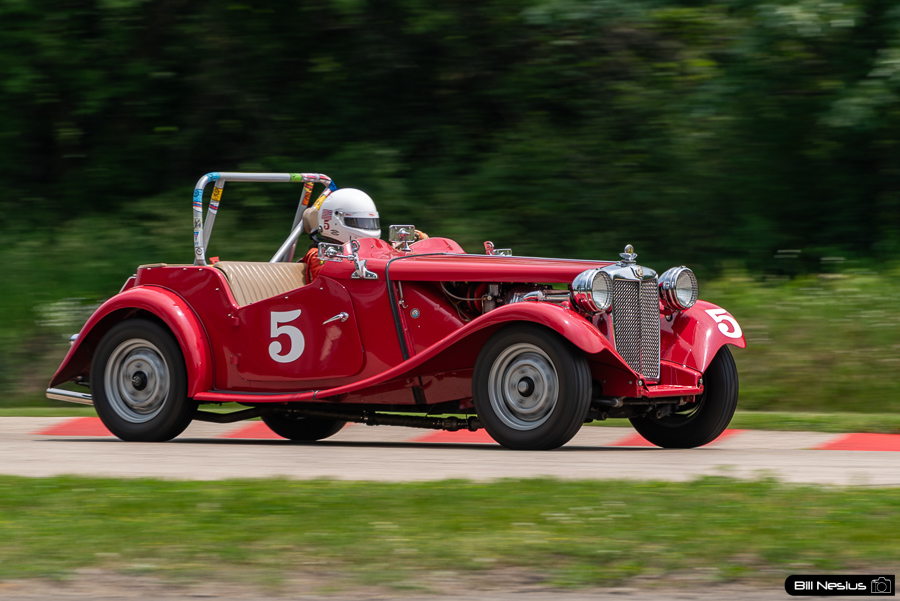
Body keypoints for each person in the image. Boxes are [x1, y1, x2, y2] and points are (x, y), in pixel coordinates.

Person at [299, 188, 381, 281]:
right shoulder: (320, 255)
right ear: (334, 221)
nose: (366, 226)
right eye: (359, 222)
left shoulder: (373, 251)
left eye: (369, 223)